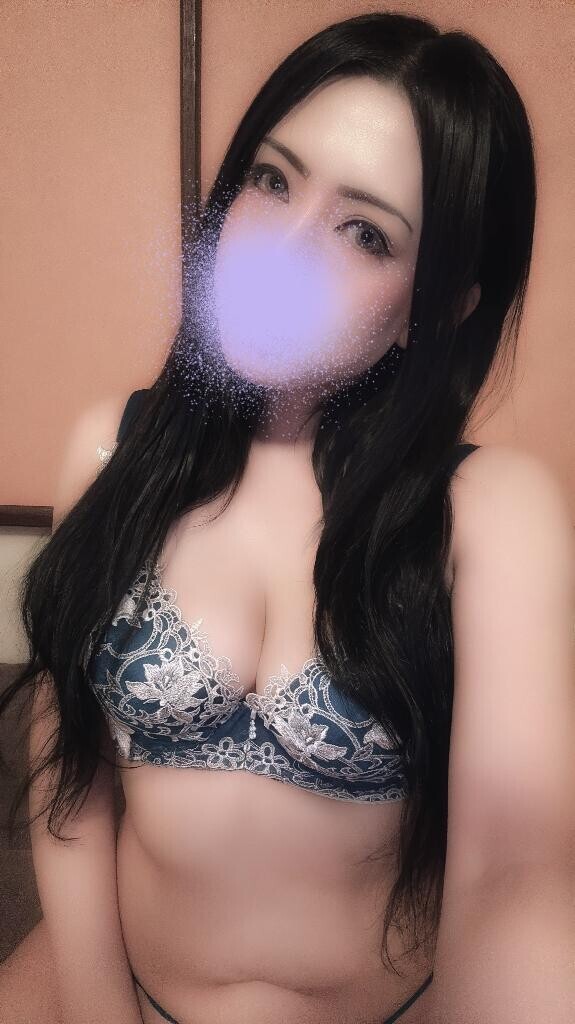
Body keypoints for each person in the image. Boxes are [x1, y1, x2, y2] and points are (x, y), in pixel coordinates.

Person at [1, 12, 574, 1024]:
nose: (283, 245)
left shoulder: (492, 514)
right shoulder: (109, 452)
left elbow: (513, 874)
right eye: (271, 180)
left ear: (441, 304)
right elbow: (69, 783)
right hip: (105, 993)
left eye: (366, 232)